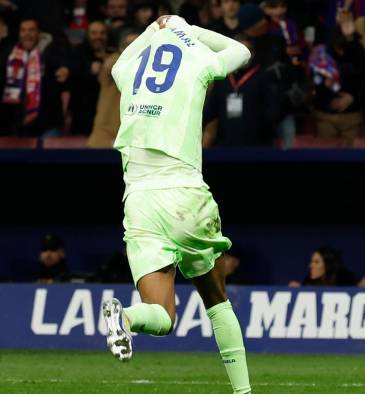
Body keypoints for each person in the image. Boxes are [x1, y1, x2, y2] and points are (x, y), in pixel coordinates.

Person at [101, 15, 252, 394]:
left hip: (138, 200)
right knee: (217, 300)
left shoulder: (129, 70)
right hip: (183, 195)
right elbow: (241, 52)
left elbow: (120, 62)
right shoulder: (197, 60)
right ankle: (243, 392)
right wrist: (190, 32)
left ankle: (127, 317)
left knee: (162, 317)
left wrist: (155, 29)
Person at [288, 247, 356, 287]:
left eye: (316, 262)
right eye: (311, 262)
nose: (311, 265)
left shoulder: (345, 284)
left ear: (328, 265)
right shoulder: (308, 285)